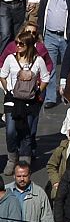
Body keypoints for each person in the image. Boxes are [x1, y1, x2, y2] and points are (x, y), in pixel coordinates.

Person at [0, 32, 49, 169]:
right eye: (16, 43)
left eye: (21, 44)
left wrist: (38, 91)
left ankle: (24, 159)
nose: (18, 46)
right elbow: (2, 75)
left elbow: (45, 77)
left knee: (26, 131)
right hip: (12, 100)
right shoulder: (10, 58)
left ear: (29, 45)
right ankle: (12, 157)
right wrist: (8, 89)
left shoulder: (38, 61)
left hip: (30, 101)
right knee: (10, 131)